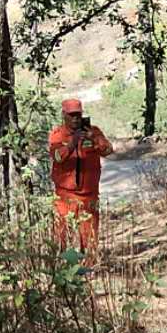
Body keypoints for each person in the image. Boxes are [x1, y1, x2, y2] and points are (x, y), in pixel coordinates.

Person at [48, 97, 113, 252]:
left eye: (78, 115)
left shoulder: (93, 132)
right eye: (71, 115)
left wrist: (94, 139)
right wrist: (72, 143)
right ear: (64, 115)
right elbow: (57, 157)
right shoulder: (57, 135)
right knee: (60, 237)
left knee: (90, 239)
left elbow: (108, 150)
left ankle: (89, 265)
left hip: (88, 196)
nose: (75, 119)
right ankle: (62, 264)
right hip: (64, 196)